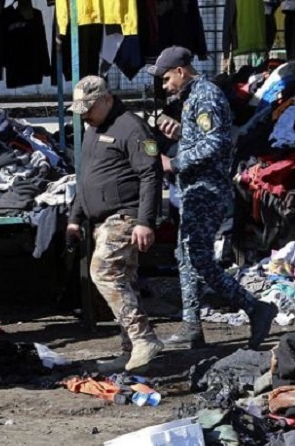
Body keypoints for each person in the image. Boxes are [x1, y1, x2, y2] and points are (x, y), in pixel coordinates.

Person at [148, 46, 277, 350]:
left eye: (167, 80)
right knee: (186, 255)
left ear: (181, 71)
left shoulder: (205, 95)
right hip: (194, 190)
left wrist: (174, 162)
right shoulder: (193, 97)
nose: (166, 87)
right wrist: (182, 134)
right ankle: (192, 325)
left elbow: (216, 144)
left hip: (207, 190)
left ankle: (256, 308)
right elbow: (204, 138)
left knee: (200, 259)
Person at [66, 75, 164, 372]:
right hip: (100, 219)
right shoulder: (93, 128)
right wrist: (75, 218)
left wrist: (145, 221)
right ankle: (132, 349)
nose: (84, 113)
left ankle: (144, 339)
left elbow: (151, 173)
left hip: (124, 216)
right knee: (125, 282)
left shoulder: (131, 127)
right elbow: (87, 179)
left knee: (103, 272)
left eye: (89, 107)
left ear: (106, 99)